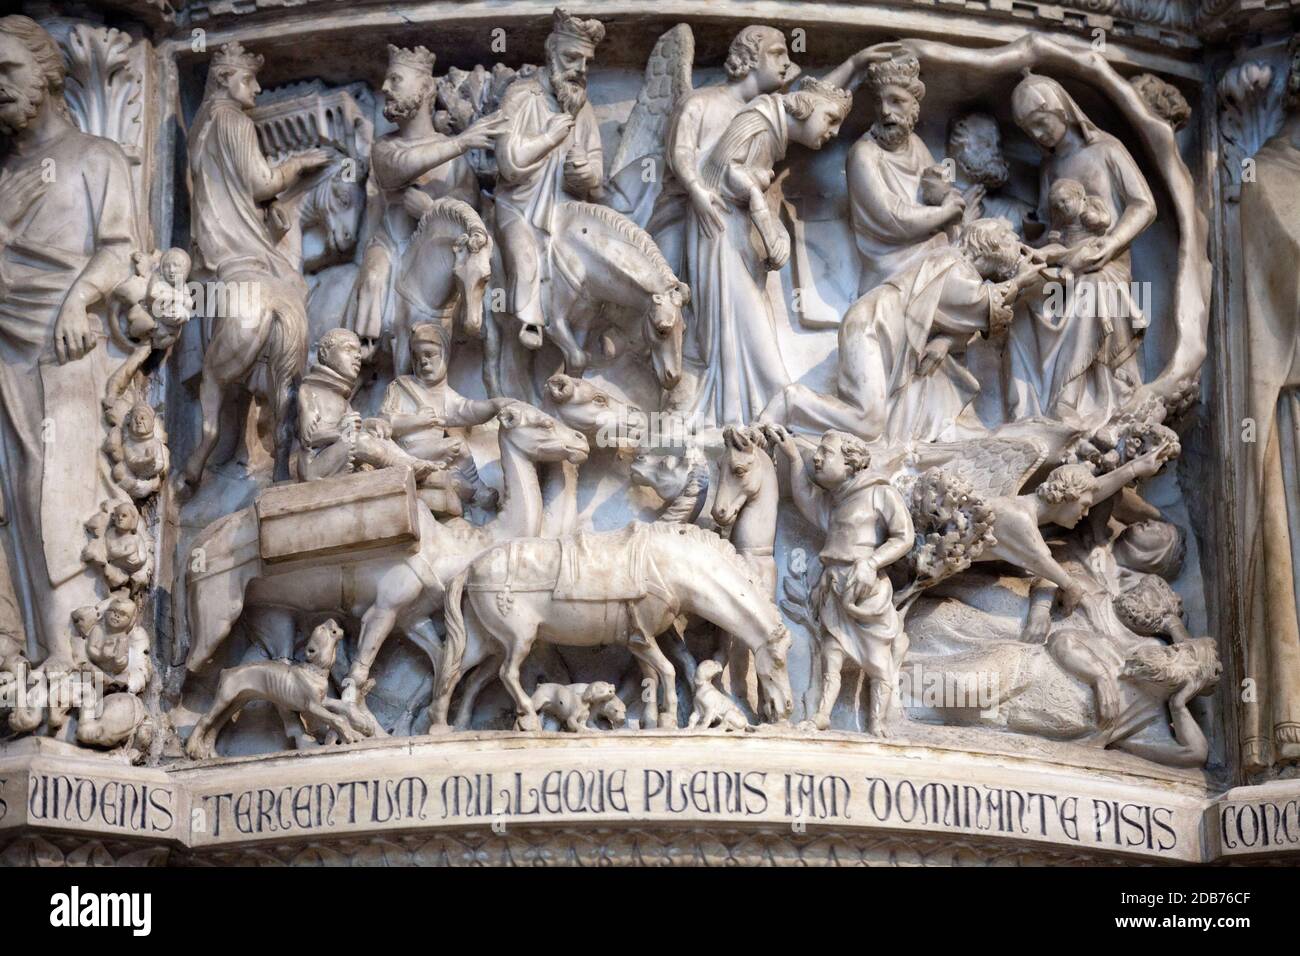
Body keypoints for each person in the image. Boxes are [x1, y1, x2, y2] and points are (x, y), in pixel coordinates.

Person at [0, 16, 135, 663]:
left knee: (57, 491)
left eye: (7, 71)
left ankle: (69, 650)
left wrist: (81, 295)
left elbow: (119, 251)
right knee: (14, 499)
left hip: (65, 349)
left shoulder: (96, 160)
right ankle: (21, 646)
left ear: (48, 70)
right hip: (6, 349)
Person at [761, 218, 1044, 443]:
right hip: (871, 327)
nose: (1017, 248)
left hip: (881, 331)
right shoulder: (954, 265)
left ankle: (917, 442)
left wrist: (945, 341)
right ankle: (793, 402)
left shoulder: (954, 265)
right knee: (868, 421)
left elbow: (954, 312)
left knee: (932, 388)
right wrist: (1020, 282)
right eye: (1011, 241)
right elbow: (979, 303)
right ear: (991, 244)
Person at [678, 77, 853, 427]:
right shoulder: (759, 119)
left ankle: (754, 410)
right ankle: (746, 412)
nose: (833, 132)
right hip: (719, 231)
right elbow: (723, 171)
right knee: (741, 318)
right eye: (830, 119)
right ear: (805, 105)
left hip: (733, 232)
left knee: (748, 317)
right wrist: (761, 210)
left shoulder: (772, 129)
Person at [1004, 71, 1156, 428]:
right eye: (1030, 131)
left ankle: (1066, 398)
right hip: (1066, 261)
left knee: (1090, 289)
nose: (1039, 136)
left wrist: (1110, 244)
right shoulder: (1050, 166)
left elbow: (1144, 205)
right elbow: (1052, 227)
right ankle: (1024, 411)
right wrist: (1037, 241)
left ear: (1062, 111)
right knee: (1022, 300)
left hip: (1107, 265)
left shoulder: (1107, 150)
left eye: (1041, 123)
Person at [346, 44, 505, 361]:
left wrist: (431, 210)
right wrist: (460, 142)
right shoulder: (385, 147)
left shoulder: (453, 155)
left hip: (438, 252)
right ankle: (363, 346)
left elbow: (467, 202)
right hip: (393, 244)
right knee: (374, 276)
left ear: (425, 87)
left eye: (395, 80)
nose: (385, 88)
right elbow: (396, 171)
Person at [765, 425, 914, 735]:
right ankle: (822, 715)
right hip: (834, 586)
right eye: (817, 452)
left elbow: (904, 537)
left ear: (850, 463)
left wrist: (871, 562)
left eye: (825, 453)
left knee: (877, 661)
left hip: (866, 591)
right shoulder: (837, 500)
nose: (816, 459)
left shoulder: (879, 492)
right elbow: (806, 499)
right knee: (831, 655)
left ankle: (877, 723)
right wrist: (793, 456)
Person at [492, 8, 606, 341]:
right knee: (526, 258)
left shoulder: (582, 108)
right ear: (551, 54)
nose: (580, 70)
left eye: (587, 62)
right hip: (518, 209)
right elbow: (509, 163)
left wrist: (586, 174)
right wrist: (548, 139)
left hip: (567, 214)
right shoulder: (522, 97)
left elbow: (597, 165)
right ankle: (530, 320)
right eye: (572, 58)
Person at [847, 53, 963, 295]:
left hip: (930, 250)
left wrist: (943, 193)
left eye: (896, 101)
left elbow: (940, 190)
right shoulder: (863, 154)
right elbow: (892, 218)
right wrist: (945, 212)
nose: (886, 111)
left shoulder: (916, 144)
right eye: (879, 102)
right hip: (892, 268)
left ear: (914, 106)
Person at [380, 323, 509, 514]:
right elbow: (384, 423)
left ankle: (475, 491)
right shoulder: (401, 387)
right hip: (405, 451)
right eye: (417, 357)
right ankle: (479, 488)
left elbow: (469, 410)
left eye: (430, 355)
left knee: (459, 479)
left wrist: (496, 405)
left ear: (445, 356)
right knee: (456, 445)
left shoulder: (444, 396)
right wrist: (418, 420)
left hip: (431, 453)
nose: (423, 362)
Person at [294, 328, 436, 482]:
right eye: (348, 349)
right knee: (359, 441)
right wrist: (340, 430)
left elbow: (348, 431)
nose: (356, 356)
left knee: (379, 437)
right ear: (324, 353)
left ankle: (411, 462)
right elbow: (308, 437)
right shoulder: (310, 390)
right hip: (315, 467)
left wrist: (367, 425)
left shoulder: (341, 397)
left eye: (359, 353)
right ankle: (402, 467)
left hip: (338, 454)